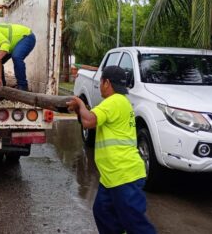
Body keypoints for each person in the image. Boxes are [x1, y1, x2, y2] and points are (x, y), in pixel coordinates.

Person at [66, 66, 156, 234]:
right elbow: (88, 121)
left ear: (106, 82)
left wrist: (79, 103)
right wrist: (80, 109)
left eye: (101, 82)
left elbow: (89, 120)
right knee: (103, 213)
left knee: (134, 223)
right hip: (111, 176)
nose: (100, 86)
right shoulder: (120, 102)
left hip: (124, 175)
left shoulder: (114, 101)